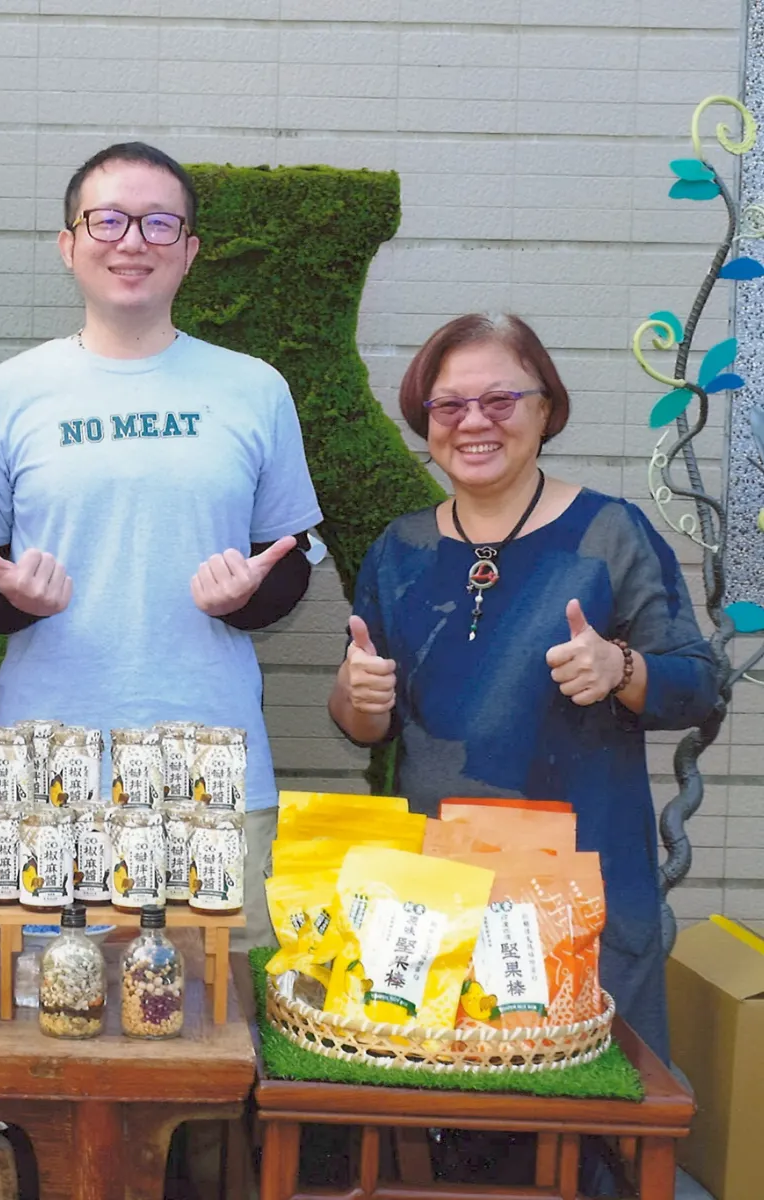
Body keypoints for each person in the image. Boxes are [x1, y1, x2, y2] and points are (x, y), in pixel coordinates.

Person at [0, 141, 323, 947]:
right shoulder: (5, 394)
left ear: (190, 250)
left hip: (208, 761)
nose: (133, 241)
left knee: (211, 1003)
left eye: (158, 223)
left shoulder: (254, 388)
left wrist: (247, 598)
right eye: (107, 220)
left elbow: (288, 562)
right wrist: (13, 602)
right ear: (68, 244)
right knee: (48, 994)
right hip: (50, 764)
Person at [329, 312, 719, 1062]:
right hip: (436, 891)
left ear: (546, 410)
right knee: (441, 1101)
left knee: (585, 1103)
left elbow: (700, 685)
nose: (474, 421)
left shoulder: (610, 533)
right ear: (425, 421)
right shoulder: (400, 548)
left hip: (578, 892)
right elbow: (365, 721)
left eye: (500, 400)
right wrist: (358, 696)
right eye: (449, 404)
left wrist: (622, 669)